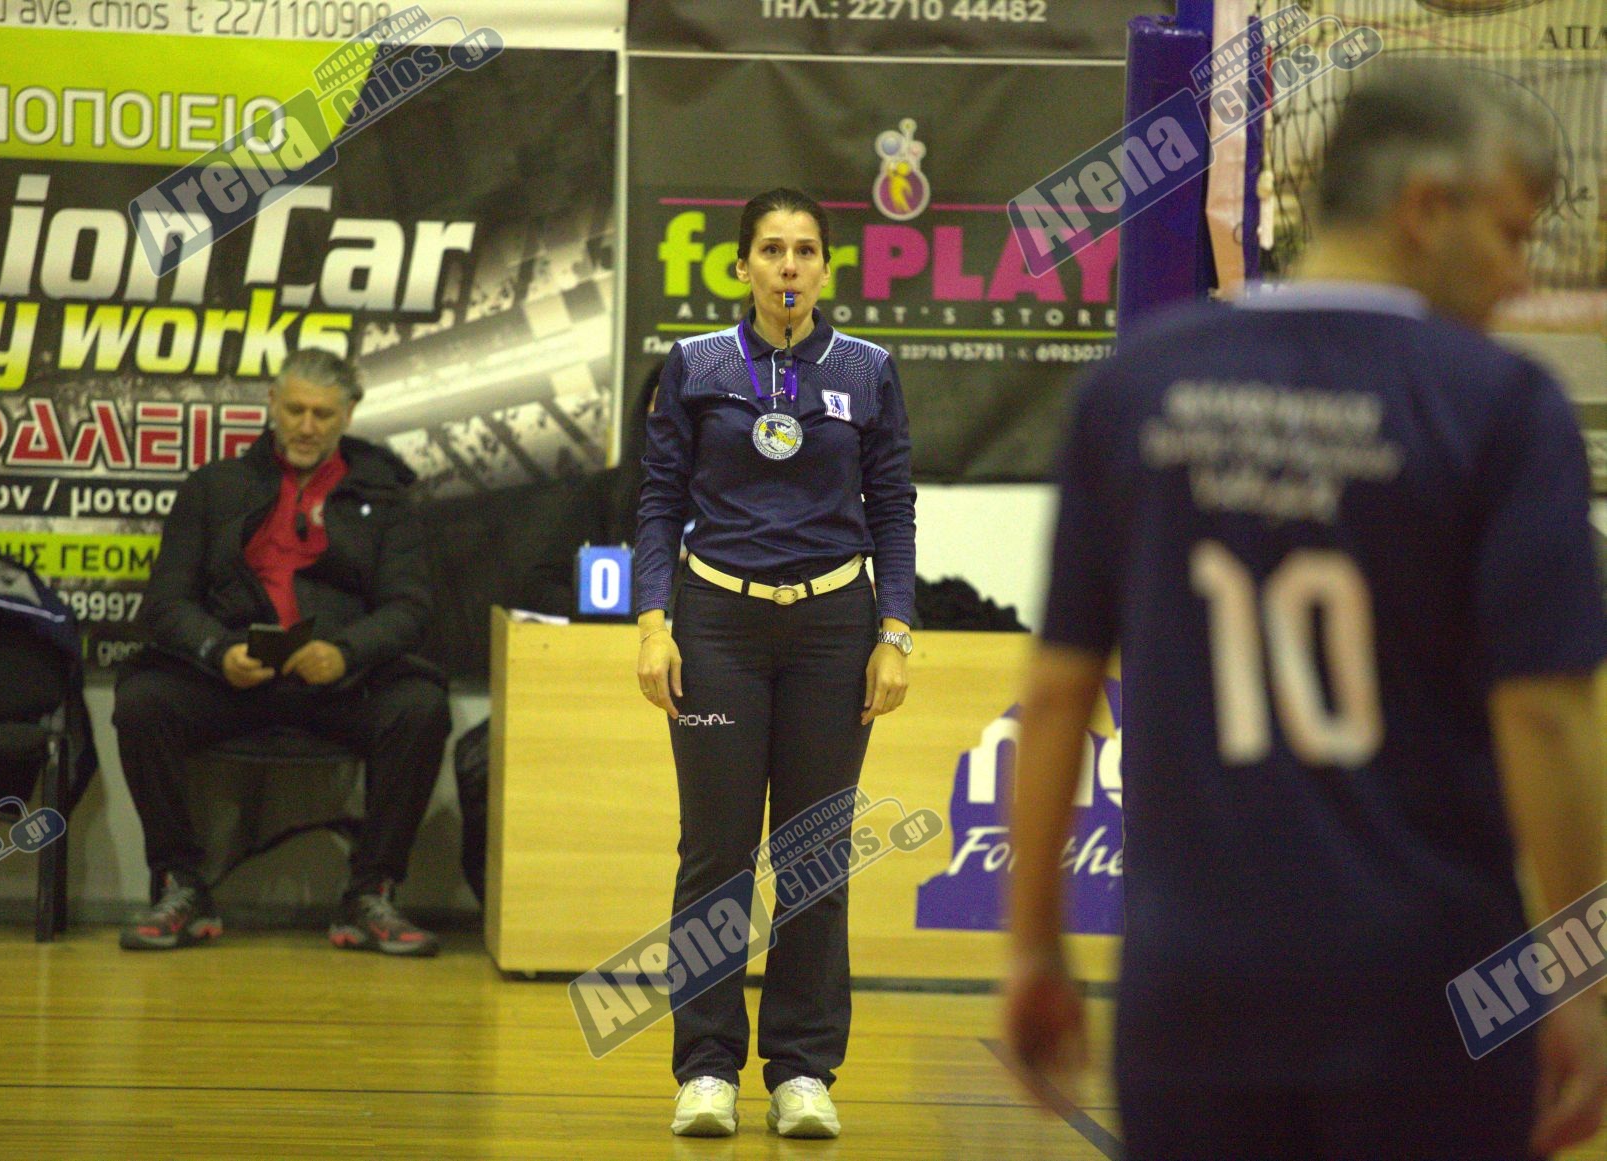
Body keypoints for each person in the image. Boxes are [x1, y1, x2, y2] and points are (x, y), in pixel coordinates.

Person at [1002, 64, 1607, 1159]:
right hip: (1429, 992)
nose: (1519, 279)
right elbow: (1546, 715)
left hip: (1188, 991)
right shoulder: (1502, 406)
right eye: (1511, 235)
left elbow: (1052, 697)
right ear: (1425, 207)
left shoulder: (1134, 385)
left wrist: (1032, 951)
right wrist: (1578, 981)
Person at [634, 188, 917, 1138]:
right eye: (769, 250)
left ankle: (801, 1069)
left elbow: (893, 508)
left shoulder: (867, 369)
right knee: (716, 851)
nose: (787, 266)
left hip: (834, 629)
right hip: (717, 623)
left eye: (803, 250)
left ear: (826, 268)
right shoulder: (695, 362)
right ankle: (706, 1067)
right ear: (742, 266)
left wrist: (894, 633)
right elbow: (658, 499)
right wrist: (653, 623)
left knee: (814, 855)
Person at [114, 348, 449, 958]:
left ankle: (371, 893)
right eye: (295, 410)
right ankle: (179, 885)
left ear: (349, 415)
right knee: (142, 701)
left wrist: (346, 652)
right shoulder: (213, 487)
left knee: (420, 707)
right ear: (272, 405)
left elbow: (411, 608)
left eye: (323, 414)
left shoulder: (385, 497)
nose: (307, 426)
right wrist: (219, 651)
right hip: (232, 683)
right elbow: (165, 603)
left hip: (337, 687)